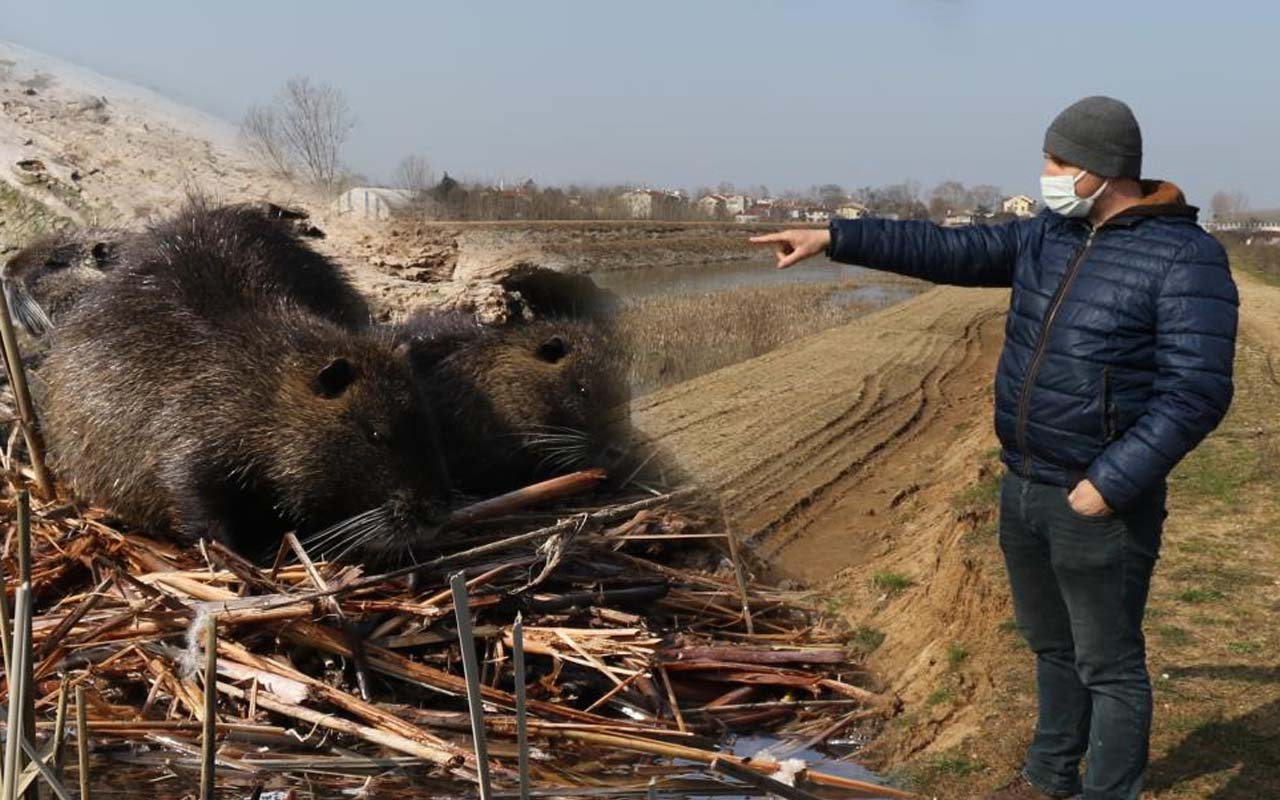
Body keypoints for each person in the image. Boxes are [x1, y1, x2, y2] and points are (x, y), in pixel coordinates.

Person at [750, 96, 1238, 800]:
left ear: (1102, 169)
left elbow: (1196, 393)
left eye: (1057, 161)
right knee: (1050, 648)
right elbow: (947, 249)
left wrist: (1109, 484)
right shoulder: (1049, 235)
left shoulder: (1185, 258)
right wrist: (834, 236)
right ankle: (1047, 777)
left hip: (1099, 500)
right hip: (1025, 482)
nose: (1044, 173)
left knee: (1109, 664)